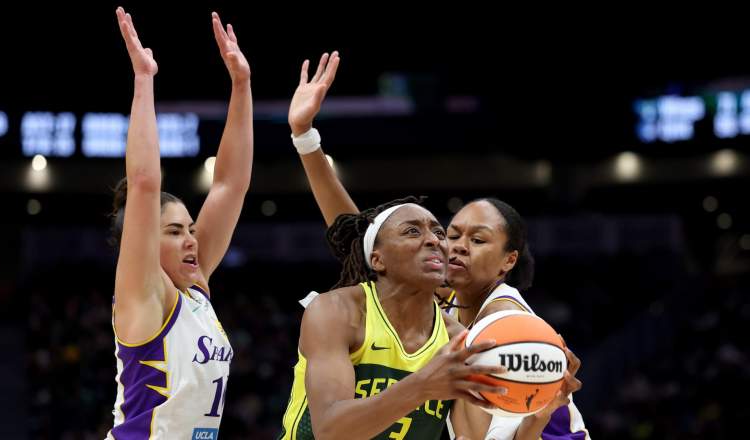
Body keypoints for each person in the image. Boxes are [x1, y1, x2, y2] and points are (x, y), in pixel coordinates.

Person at [286, 52, 588, 440]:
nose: (450, 246)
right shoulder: (428, 302)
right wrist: (306, 139)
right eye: (453, 234)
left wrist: (539, 414)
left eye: (477, 240)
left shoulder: (498, 320)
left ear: (506, 262)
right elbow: (359, 236)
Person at [106, 7, 252, 439]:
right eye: (174, 231)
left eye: (190, 228)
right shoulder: (143, 295)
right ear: (142, 240)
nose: (192, 239)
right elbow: (145, 183)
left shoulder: (195, 289)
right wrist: (144, 80)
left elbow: (229, 185)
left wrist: (241, 86)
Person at [279, 198, 508, 439]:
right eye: (412, 231)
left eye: (440, 233)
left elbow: (473, 435)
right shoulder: (336, 311)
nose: (434, 240)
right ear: (378, 259)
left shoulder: (457, 340)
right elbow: (330, 430)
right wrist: (421, 386)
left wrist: (536, 410)